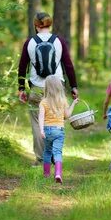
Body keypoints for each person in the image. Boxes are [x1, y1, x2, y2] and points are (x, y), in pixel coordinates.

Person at [18, 12, 79, 165]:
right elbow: (68, 65)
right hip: (56, 87)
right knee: (57, 120)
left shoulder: (30, 42)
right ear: (49, 24)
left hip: (37, 88)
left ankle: (40, 159)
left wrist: (21, 88)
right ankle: (54, 155)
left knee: (37, 124)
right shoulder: (59, 41)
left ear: (36, 25)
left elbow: (22, 66)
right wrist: (74, 86)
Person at [38, 75, 79, 183]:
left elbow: (41, 117)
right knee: (57, 152)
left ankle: (46, 174)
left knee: (47, 152)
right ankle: (58, 173)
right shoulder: (63, 101)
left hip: (47, 130)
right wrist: (74, 103)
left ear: (46, 87)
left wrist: (41, 130)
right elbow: (67, 115)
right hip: (59, 130)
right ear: (59, 87)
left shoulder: (43, 102)